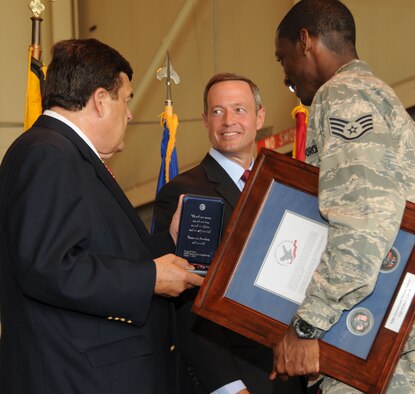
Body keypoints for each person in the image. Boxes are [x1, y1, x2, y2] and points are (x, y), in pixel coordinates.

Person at [0, 38, 203, 394]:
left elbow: (95, 252)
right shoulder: (49, 154)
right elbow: (49, 267)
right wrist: (149, 278)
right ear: (99, 99)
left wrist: (165, 242)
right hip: (75, 377)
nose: (128, 114)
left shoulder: (61, 152)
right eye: (125, 100)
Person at [271, 0, 415, 393]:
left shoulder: (343, 97)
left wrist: (306, 325)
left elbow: (363, 226)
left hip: (381, 356)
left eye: (283, 61)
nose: (287, 77)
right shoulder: (375, 94)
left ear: (305, 41)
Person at [153, 73, 306, 394]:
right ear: (206, 120)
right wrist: (228, 386)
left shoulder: (286, 183)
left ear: (259, 117)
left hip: (296, 371)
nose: (228, 121)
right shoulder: (183, 192)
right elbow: (186, 299)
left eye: (239, 109)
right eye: (218, 111)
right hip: (239, 378)